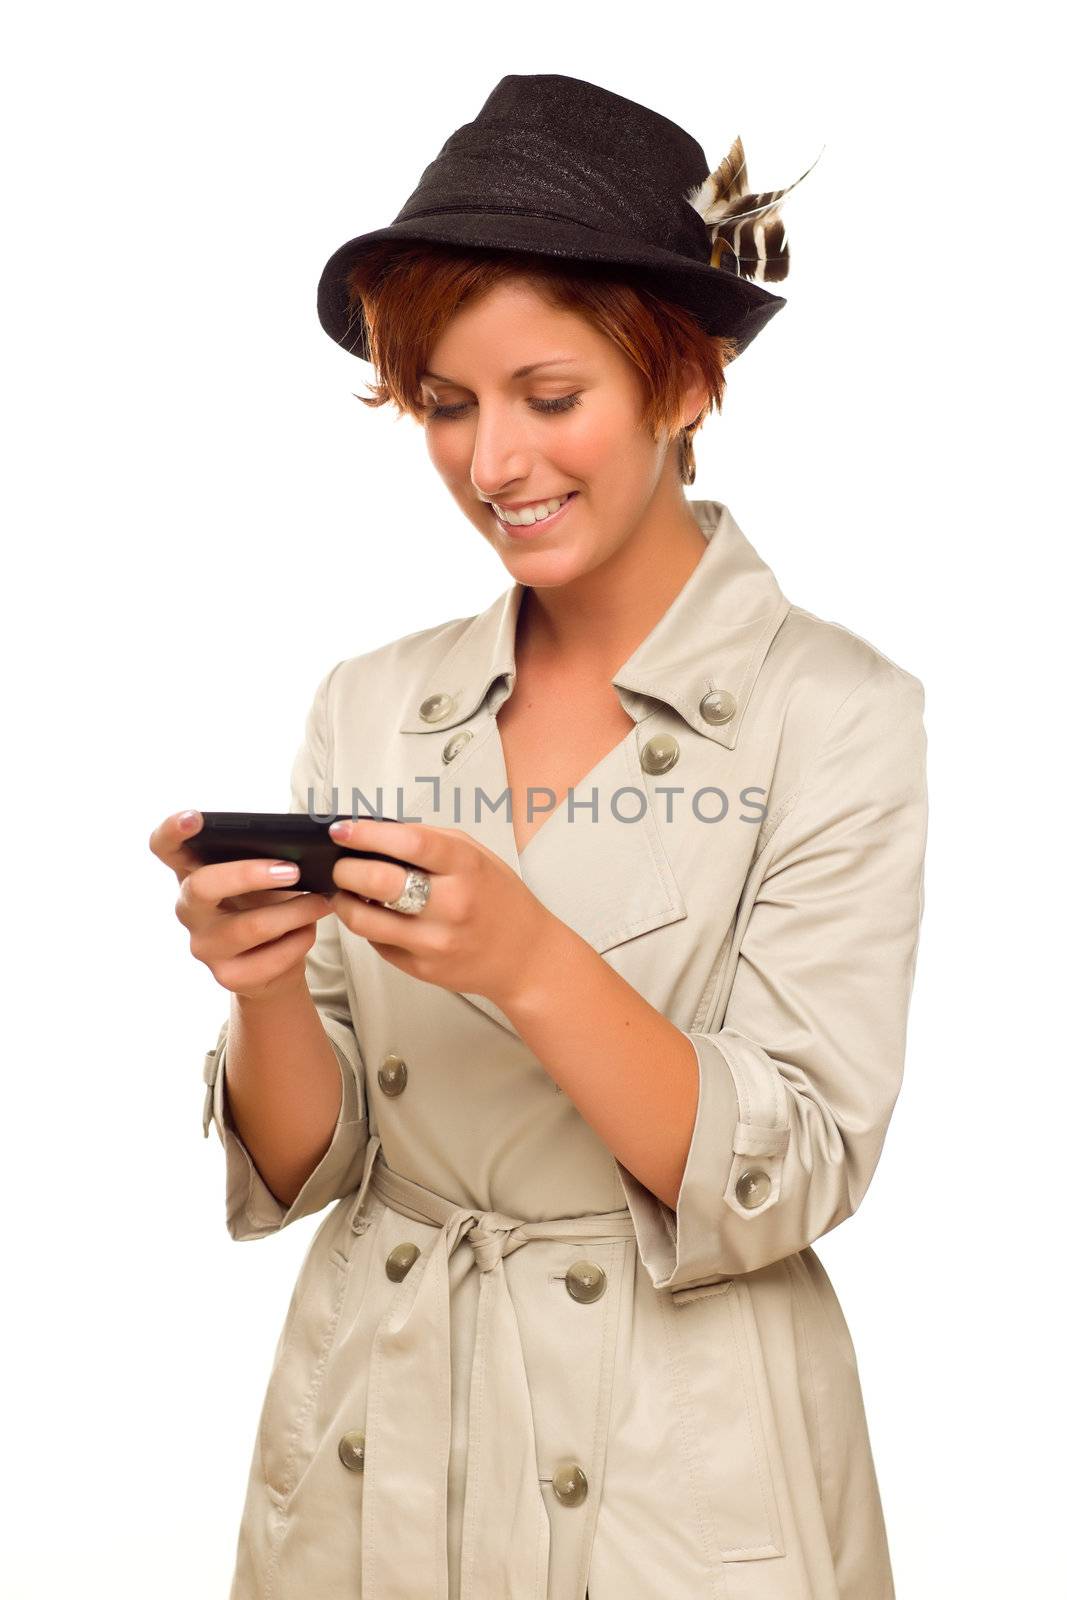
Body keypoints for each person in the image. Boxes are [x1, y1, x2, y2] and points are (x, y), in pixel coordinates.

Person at [150, 74, 927, 1600]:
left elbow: (797, 1166)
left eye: (548, 397)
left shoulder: (836, 713)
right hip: (378, 1427)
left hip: (674, 1467)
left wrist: (528, 960)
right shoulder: (374, 701)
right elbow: (316, 1163)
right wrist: (256, 984)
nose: (493, 462)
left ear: (685, 382)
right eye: (447, 403)